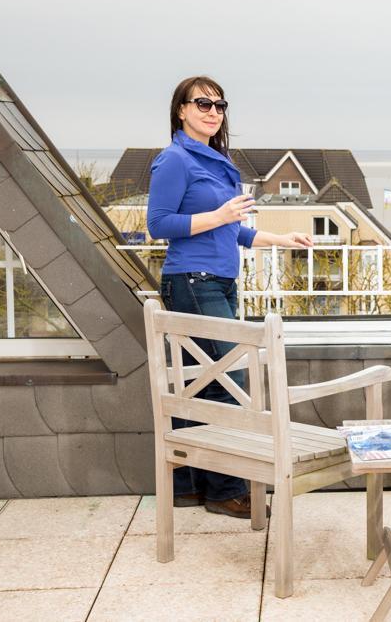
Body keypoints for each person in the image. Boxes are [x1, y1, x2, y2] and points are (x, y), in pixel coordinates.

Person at [147, 75, 313, 518]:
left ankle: (185, 484)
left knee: (198, 384)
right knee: (229, 380)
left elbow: (230, 228)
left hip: (216, 281)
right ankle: (225, 490)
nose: (213, 111)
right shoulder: (175, 160)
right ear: (181, 109)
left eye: (220, 105)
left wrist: (281, 239)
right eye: (202, 103)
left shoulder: (213, 159)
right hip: (192, 281)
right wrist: (218, 213)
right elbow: (159, 224)